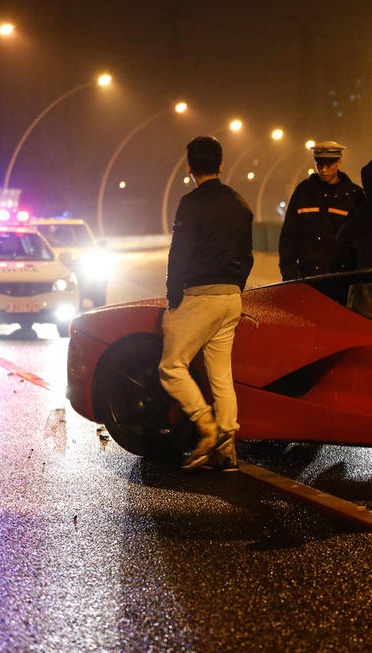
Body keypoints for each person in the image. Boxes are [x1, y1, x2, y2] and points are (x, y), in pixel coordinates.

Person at [159, 136, 254, 471]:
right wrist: (237, 288)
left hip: (200, 297)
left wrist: (173, 296)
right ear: (221, 165)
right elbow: (247, 255)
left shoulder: (191, 203)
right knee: (221, 377)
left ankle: (207, 428)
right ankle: (227, 451)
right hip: (231, 298)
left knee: (171, 367)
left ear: (189, 167)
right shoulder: (240, 203)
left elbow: (180, 252)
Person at [278, 140, 365, 280]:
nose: (323, 169)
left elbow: (361, 240)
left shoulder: (354, 196)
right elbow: (288, 236)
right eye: (319, 164)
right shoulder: (303, 192)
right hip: (306, 276)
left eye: (328, 164)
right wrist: (289, 275)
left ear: (339, 163)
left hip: (342, 278)